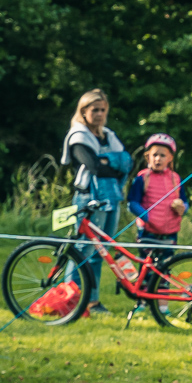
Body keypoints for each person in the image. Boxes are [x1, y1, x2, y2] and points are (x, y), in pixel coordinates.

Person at [60, 88, 132, 314]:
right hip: (88, 198)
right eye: (95, 110)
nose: (99, 114)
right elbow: (93, 167)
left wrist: (107, 161)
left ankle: (91, 301)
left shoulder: (108, 135)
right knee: (82, 249)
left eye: (102, 110)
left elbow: (126, 162)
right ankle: (71, 300)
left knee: (101, 251)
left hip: (111, 196)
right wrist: (111, 162)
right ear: (83, 111)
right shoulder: (78, 136)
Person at [126, 133, 190, 275]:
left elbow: (185, 202)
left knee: (165, 267)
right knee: (147, 268)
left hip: (170, 233)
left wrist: (183, 208)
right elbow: (132, 203)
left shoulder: (176, 178)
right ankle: (145, 289)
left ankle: (162, 289)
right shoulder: (142, 177)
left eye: (162, 155)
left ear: (170, 158)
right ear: (148, 156)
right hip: (148, 232)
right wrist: (148, 218)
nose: (158, 159)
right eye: (154, 155)